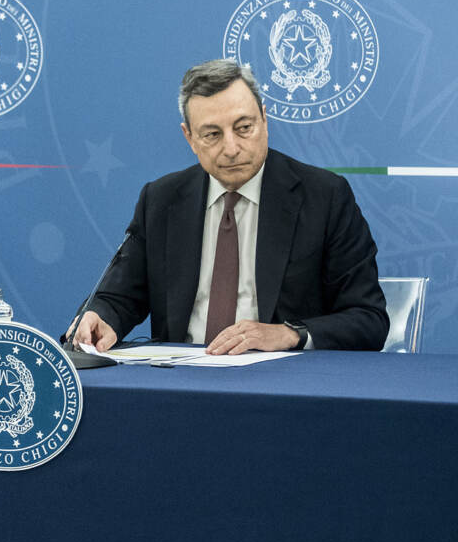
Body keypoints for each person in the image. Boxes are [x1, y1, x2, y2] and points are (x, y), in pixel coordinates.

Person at [69, 59, 388, 354]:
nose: (232, 148)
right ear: (189, 138)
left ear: (264, 119)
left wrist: (289, 334)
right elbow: (119, 296)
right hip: (179, 380)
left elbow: (368, 318)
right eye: (212, 134)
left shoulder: (324, 197)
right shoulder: (161, 199)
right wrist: (100, 316)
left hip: (284, 381)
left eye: (244, 128)